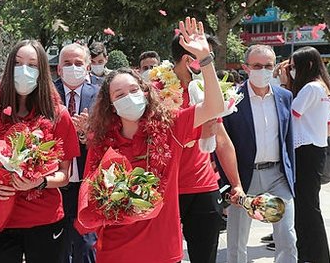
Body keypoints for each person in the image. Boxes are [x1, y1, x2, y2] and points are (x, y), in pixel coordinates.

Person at [83, 18, 225, 263]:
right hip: (116, 251)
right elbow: (91, 196)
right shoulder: (102, 140)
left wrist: (205, 59)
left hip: (162, 250)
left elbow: (214, 106)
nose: (129, 97)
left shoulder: (170, 126)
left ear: (146, 93)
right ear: (111, 105)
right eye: (120, 94)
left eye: (134, 90)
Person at [0, 39, 80, 263]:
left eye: (32, 65)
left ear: (42, 71)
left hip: (45, 220)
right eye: (18, 64)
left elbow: (64, 175)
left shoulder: (58, 115)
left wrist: (38, 181)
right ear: (9, 68)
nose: (24, 71)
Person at [170, 34, 244, 263]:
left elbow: (222, 141)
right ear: (187, 60)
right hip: (168, 190)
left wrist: (237, 184)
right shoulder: (154, 91)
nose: (210, 65)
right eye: (206, 58)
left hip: (204, 187)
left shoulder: (206, 91)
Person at [220, 44, 297, 263]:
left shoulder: (284, 96)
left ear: (275, 68)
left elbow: (288, 140)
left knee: (287, 238)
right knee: (236, 242)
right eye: (257, 65)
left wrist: (291, 177)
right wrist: (229, 184)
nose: (263, 70)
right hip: (244, 178)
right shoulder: (233, 97)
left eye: (268, 66)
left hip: (277, 176)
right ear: (246, 67)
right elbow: (223, 143)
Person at [288, 46, 330, 263]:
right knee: (307, 206)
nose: (291, 71)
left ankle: (314, 255)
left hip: (305, 151)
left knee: (307, 208)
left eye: (293, 67)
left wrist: (283, 84)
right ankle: (309, 254)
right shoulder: (324, 88)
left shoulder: (310, 88)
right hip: (316, 150)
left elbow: (290, 113)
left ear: (306, 65)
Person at [54, 43, 99, 263]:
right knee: (58, 249)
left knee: (87, 246)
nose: (73, 67)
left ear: (88, 66)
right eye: (67, 63)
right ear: (59, 68)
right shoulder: (46, 93)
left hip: (87, 183)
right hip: (54, 185)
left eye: (78, 63)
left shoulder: (102, 93)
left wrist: (88, 133)